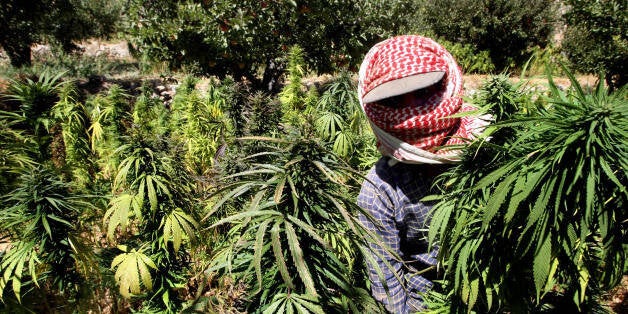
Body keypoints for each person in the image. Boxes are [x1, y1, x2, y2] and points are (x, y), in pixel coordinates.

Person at [356, 35, 486, 313]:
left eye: (424, 91)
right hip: (427, 303)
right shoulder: (379, 191)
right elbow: (388, 284)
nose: (414, 110)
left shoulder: (487, 150)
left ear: (445, 84)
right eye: (396, 100)